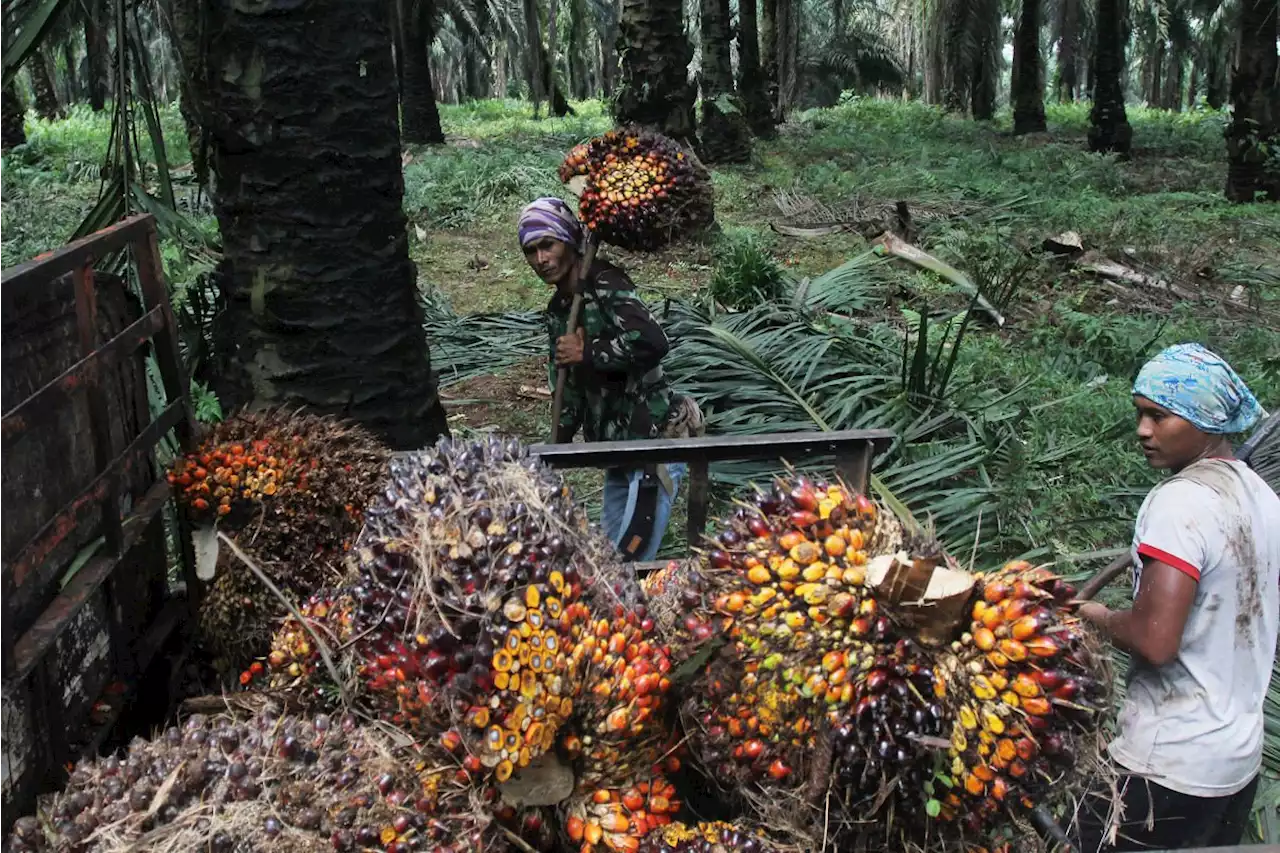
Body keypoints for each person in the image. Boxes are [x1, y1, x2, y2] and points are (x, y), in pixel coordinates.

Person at [1070, 343, 1279, 852]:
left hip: (1166, 767)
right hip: (1236, 763)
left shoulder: (1179, 502)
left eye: (1159, 417)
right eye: (1140, 414)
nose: (1143, 430)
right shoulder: (1262, 497)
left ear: (1204, 419)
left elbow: (1156, 641)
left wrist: (1093, 615)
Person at [517, 197, 703, 561]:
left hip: (655, 440)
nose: (541, 259)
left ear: (569, 241)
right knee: (607, 559)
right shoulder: (559, 310)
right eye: (531, 251)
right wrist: (555, 452)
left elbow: (652, 341)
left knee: (631, 559)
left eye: (548, 245)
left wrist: (588, 353)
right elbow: (567, 389)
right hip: (615, 448)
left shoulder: (605, 282)